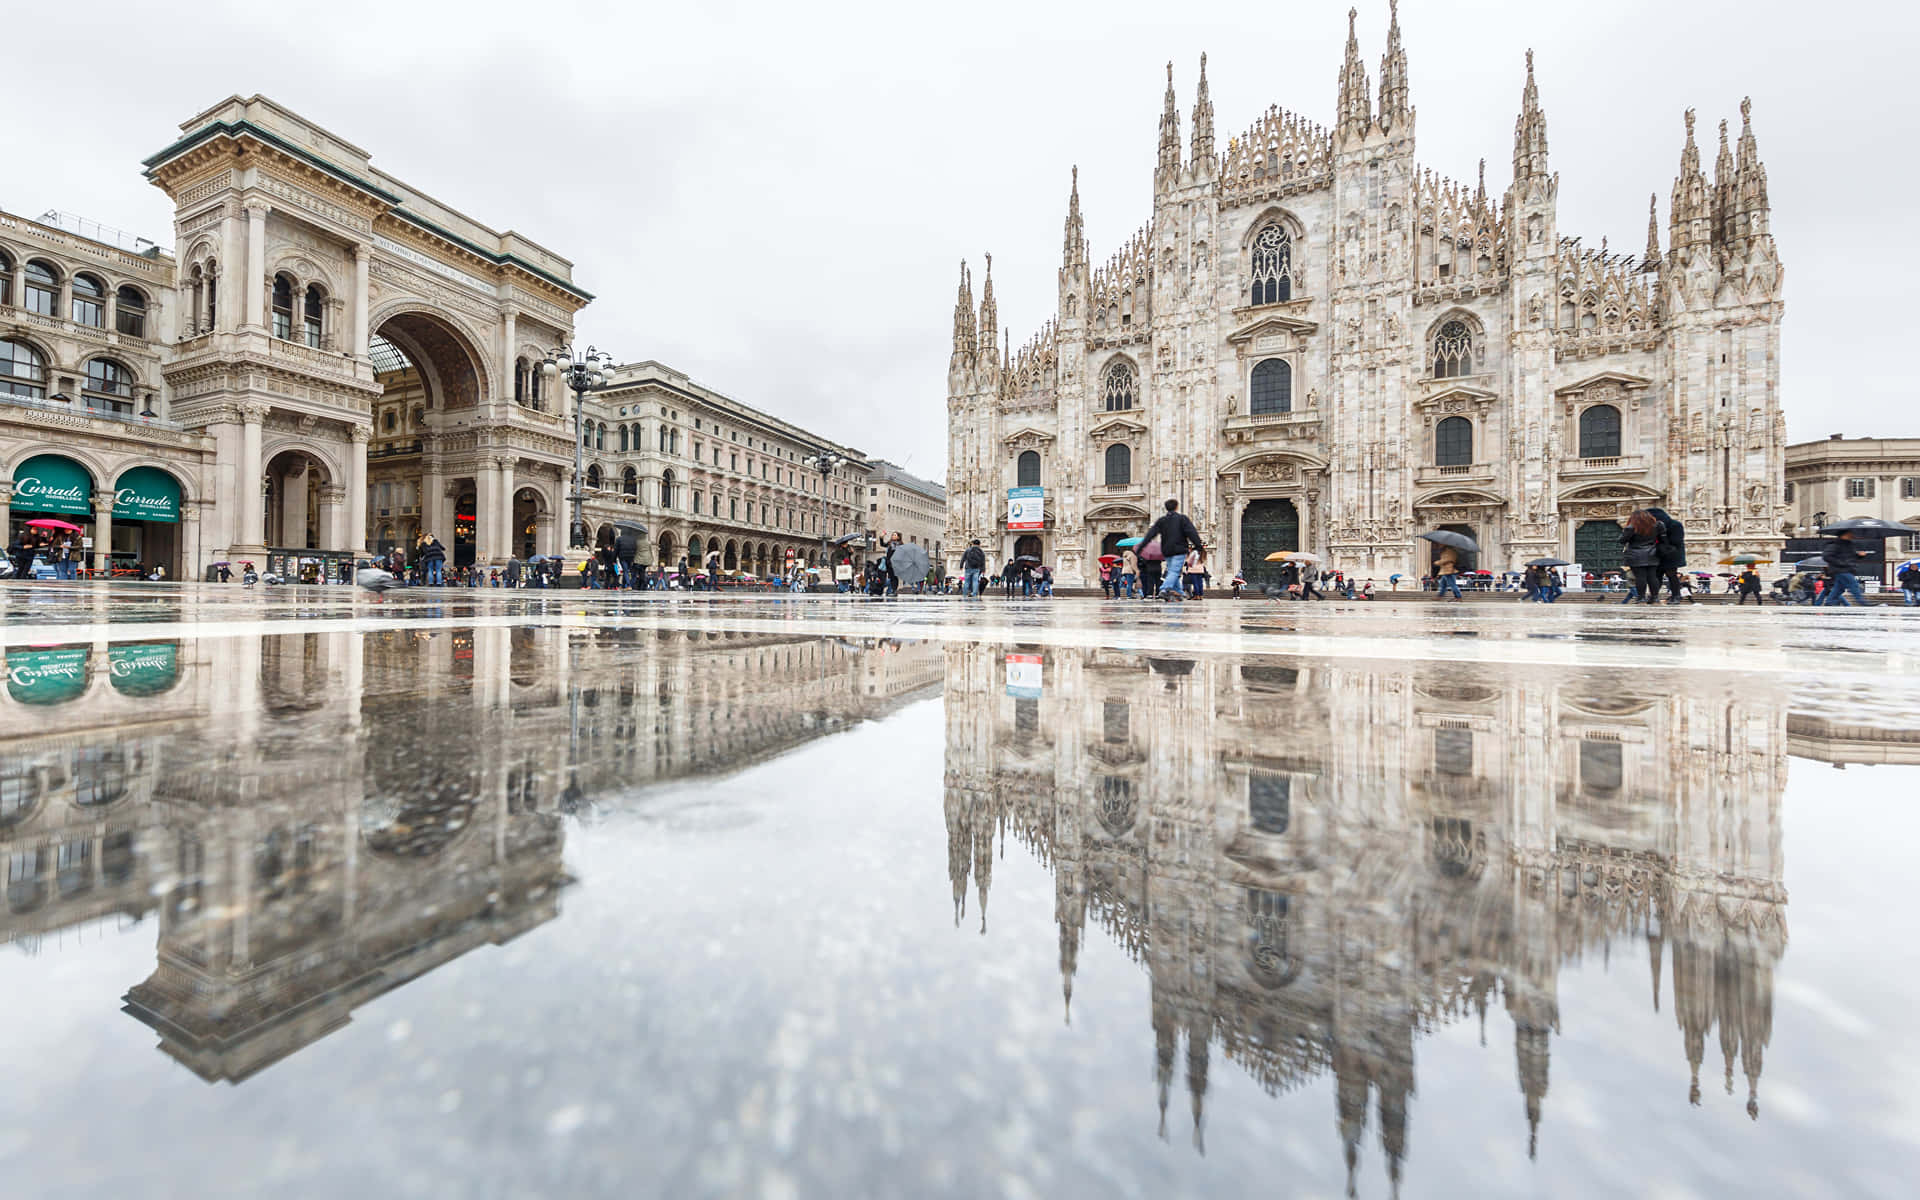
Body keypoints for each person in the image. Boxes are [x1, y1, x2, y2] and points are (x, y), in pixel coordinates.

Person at [1141, 499, 1203, 603]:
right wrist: (1198, 545)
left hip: (1167, 551)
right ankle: (1164, 589)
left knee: (1172, 571)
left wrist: (1142, 546)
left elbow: (1151, 533)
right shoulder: (1181, 519)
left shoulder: (1162, 520)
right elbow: (1191, 532)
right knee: (1174, 571)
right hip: (1179, 550)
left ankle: (1179, 592)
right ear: (1177, 507)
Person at [1620, 510, 1665, 604]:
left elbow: (1622, 540)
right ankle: (1655, 597)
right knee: (1652, 577)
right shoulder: (1657, 525)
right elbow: (1662, 538)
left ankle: (1641, 598)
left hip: (1635, 555)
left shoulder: (1631, 527)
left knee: (1640, 577)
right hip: (1652, 553)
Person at [1647, 506, 1689, 604]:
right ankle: (1654, 596)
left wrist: (1662, 535)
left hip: (1671, 554)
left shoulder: (1675, 525)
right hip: (1659, 554)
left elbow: (1676, 541)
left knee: (1671, 575)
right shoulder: (1653, 527)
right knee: (1657, 576)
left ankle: (1676, 596)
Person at [1820, 530, 1865, 606]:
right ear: (1843, 535)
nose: (1852, 535)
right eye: (1850, 533)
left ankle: (1829, 602)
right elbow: (1826, 556)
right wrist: (1841, 563)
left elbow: (1851, 558)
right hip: (1840, 569)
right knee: (1853, 585)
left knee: (1838, 589)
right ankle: (1863, 603)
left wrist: (1860, 556)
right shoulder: (1835, 545)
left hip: (1847, 568)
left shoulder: (1849, 545)